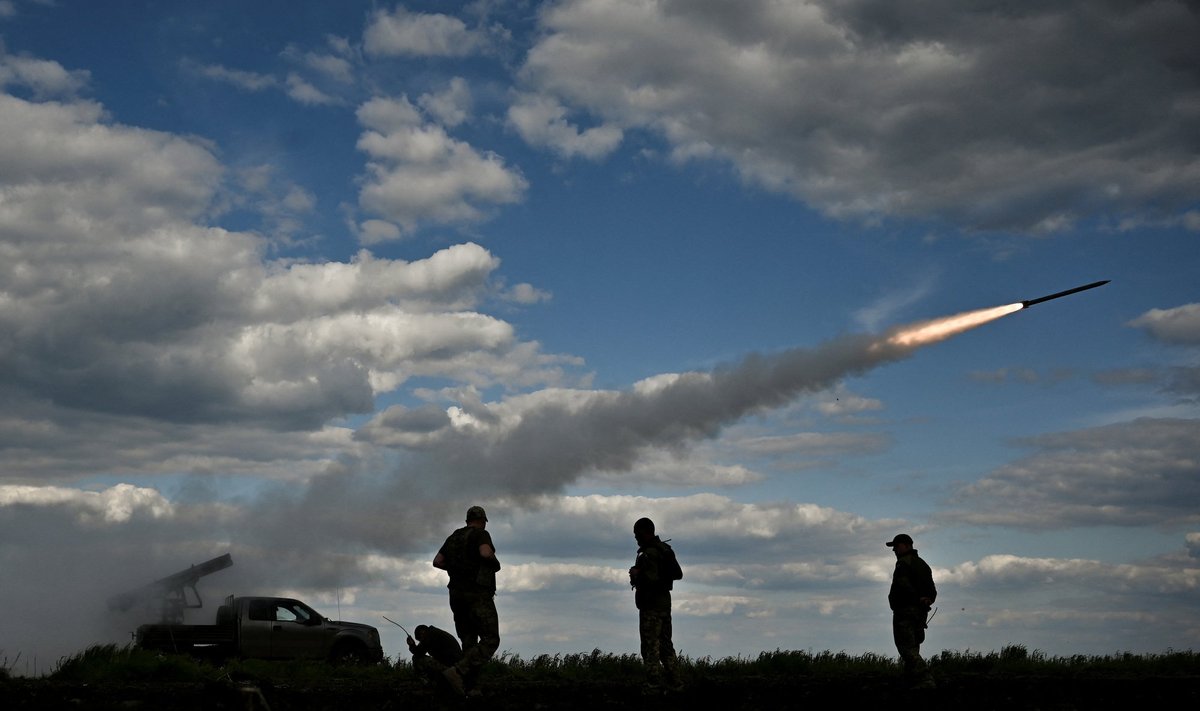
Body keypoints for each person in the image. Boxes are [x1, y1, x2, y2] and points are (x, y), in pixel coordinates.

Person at [433, 505, 500, 696]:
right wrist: (494, 563)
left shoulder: (454, 537)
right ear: (483, 521)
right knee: (490, 639)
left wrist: (457, 568)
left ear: (467, 520)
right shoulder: (480, 534)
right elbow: (486, 553)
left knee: (468, 642)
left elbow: (437, 561)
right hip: (477, 595)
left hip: (456, 595)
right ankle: (457, 671)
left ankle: (469, 687)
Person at [628, 517, 683, 691]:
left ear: (645, 532)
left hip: (650, 606)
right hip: (664, 606)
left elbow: (650, 580)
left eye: (637, 535)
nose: (636, 538)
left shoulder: (649, 554)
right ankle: (675, 683)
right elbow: (678, 574)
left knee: (650, 647)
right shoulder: (665, 550)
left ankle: (653, 685)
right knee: (666, 646)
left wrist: (637, 574)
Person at [886, 533, 937, 689]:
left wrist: (912, 601)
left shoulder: (903, 563)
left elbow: (903, 587)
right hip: (919, 612)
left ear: (907, 545)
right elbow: (931, 590)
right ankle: (911, 680)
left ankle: (925, 679)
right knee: (913, 646)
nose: (894, 549)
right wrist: (926, 599)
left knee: (906, 647)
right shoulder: (922, 564)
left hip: (906, 611)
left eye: (897, 545)